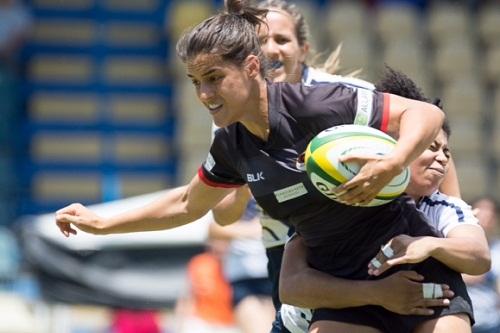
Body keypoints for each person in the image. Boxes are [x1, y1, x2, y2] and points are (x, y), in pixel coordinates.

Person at [55, 1, 472, 332]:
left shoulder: (319, 104)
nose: (203, 93)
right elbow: (187, 203)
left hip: (410, 267)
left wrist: (393, 163)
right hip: (340, 285)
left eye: (214, 77)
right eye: (195, 81)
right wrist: (103, 224)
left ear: (252, 68)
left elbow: (425, 115)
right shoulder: (231, 146)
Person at [278, 68, 490, 333]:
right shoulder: (341, 198)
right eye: (432, 147)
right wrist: (377, 293)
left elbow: (479, 256)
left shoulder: (441, 207)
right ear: (389, 146)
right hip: (301, 322)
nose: (443, 158)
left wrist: (428, 244)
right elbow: (291, 286)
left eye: (447, 151)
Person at [173, 229, 237, 333]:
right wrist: (180, 324)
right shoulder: (199, 263)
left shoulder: (238, 266)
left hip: (229, 323)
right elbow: (188, 295)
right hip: (202, 321)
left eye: (225, 241)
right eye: (217, 240)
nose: (221, 245)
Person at [463, 196, 500, 333]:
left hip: (492, 323)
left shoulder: (497, 249)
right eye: (481, 213)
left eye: (490, 215)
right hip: (462, 319)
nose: (485, 219)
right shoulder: (455, 244)